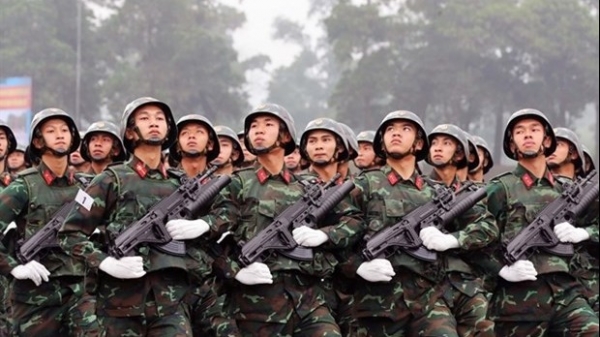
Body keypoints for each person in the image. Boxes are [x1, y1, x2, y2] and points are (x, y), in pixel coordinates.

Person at [59, 97, 227, 336]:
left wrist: (204, 224)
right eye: (145, 118)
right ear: (129, 132)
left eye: (160, 118)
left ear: (169, 129)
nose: (154, 123)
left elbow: (227, 214)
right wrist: (105, 261)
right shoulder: (109, 180)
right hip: (119, 306)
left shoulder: (181, 183)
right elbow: (69, 234)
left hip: (171, 305)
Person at [348, 111, 496, 337]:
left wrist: (454, 239)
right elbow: (332, 239)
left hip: (430, 301)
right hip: (378, 304)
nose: (396, 133)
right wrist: (357, 265)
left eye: (405, 129)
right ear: (382, 142)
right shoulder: (362, 187)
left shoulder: (436, 193)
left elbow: (487, 225)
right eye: (390, 129)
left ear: (418, 144)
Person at [224, 103, 360, 336]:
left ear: (285, 135)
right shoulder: (238, 184)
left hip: (310, 301)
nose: (258, 130)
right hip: (257, 306)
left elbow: (354, 220)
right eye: (254, 126)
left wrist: (324, 235)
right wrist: (235, 271)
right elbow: (210, 243)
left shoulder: (309, 187)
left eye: (268, 125)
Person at [484, 108, 599, 335]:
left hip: (566, 295)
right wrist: (501, 269)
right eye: (520, 131)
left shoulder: (567, 190)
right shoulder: (499, 189)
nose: (528, 135)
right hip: (518, 302)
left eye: (534, 130)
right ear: (512, 143)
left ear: (547, 141)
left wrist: (584, 233)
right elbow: (475, 240)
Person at [0, 108, 98, 336]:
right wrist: (14, 267)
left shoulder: (87, 187)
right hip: (36, 297)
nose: (60, 135)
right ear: (37, 140)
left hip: (79, 291)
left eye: (65, 130)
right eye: (51, 131)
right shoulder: (23, 186)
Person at [297, 117, 364, 336]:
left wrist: (326, 235)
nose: (318, 145)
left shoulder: (356, 190)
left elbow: (360, 226)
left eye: (326, 140)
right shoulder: (295, 187)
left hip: (352, 285)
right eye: (313, 140)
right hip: (309, 285)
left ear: (339, 148)